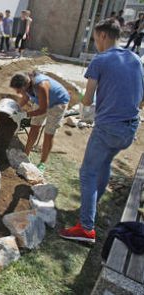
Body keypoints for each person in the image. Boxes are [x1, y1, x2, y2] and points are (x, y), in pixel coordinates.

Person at [59, 19, 143, 243]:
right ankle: (92, 206)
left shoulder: (101, 60)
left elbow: (87, 98)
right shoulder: (135, 58)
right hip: (130, 127)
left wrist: (86, 107)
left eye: (95, 38)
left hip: (108, 128)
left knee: (87, 172)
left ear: (103, 36)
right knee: (104, 163)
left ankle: (86, 228)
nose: (96, 43)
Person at [9, 71, 70, 173]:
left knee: (48, 134)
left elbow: (43, 110)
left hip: (58, 103)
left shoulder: (41, 86)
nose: (17, 93)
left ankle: (42, 163)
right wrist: (16, 109)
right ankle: (25, 154)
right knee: (34, 127)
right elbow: (25, 97)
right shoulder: (26, 82)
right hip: (41, 101)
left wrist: (24, 115)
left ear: (25, 86)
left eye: (18, 90)